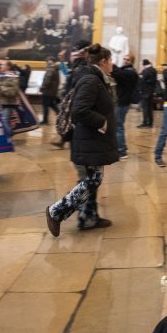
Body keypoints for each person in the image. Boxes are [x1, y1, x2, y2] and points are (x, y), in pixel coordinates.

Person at [45, 44, 118, 235]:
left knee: (93, 178)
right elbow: (79, 110)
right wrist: (101, 121)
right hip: (89, 139)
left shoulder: (96, 78)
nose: (112, 64)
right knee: (93, 180)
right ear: (103, 62)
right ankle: (56, 211)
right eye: (110, 60)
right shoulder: (91, 80)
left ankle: (88, 217)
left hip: (93, 140)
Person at [111, 54, 139, 160]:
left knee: (118, 127)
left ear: (131, 62)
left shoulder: (130, 72)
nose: (125, 60)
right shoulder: (125, 71)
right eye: (124, 58)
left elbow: (118, 74)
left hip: (122, 102)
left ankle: (121, 151)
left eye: (128, 59)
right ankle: (121, 147)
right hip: (121, 101)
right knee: (118, 126)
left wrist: (111, 64)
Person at [0, 61, 20, 142]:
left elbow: (13, 91)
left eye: (3, 65)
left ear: (8, 67)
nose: (0, 66)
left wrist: (1, 87)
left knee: (4, 120)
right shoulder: (0, 76)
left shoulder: (13, 77)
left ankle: (9, 136)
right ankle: (8, 136)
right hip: (2, 102)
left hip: (9, 102)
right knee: (5, 121)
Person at [40, 57, 60, 125]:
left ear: (51, 61)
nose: (46, 63)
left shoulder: (51, 69)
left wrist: (42, 88)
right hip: (52, 91)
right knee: (52, 104)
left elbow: (47, 80)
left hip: (47, 91)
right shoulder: (56, 69)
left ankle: (45, 121)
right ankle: (61, 116)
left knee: (45, 105)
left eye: (47, 61)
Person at [137, 59, 157, 128]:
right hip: (151, 92)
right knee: (150, 108)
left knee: (145, 108)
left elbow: (142, 80)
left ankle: (145, 122)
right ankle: (150, 123)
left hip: (145, 92)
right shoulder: (154, 70)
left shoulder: (145, 71)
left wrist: (140, 76)